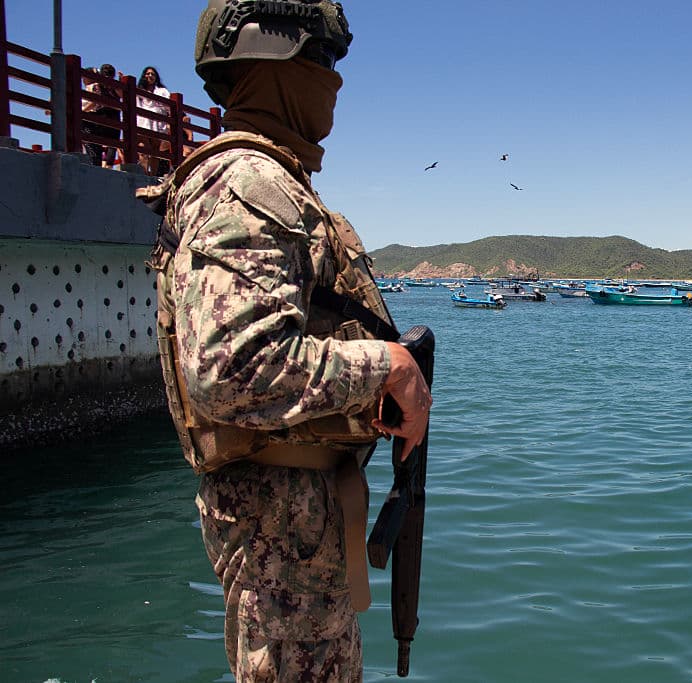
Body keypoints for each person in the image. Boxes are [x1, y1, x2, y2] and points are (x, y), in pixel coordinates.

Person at [138, 1, 432, 680]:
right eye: (321, 61)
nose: (333, 82)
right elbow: (233, 366)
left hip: (295, 543)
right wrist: (383, 366)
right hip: (282, 552)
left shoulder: (268, 182)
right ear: (272, 64)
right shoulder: (249, 184)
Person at [81, 63, 120, 167]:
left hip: (100, 115)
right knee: (113, 142)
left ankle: (97, 164)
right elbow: (122, 100)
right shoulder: (116, 87)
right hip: (114, 115)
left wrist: (83, 112)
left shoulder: (95, 85)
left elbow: (94, 101)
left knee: (96, 141)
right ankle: (108, 165)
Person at [136, 65, 170, 175]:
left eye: (152, 74)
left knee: (155, 150)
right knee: (143, 148)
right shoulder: (138, 90)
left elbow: (168, 106)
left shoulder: (162, 91)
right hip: (142, 121)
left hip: (157, 122)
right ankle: (144, 173)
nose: (150, 76)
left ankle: (153, 175)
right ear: (143, 76)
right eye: (147, 73)